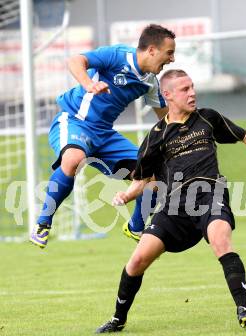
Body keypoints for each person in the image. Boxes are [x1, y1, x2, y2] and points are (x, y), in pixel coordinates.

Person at [95, 69, 246, 334]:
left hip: (210, 193)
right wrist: (127, 195)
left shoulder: (207, 118)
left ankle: (244, 310)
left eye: (193, 87)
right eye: (185, 89)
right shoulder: (155, 136)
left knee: (221, 239)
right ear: (168, 95)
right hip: (174, 207)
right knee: (138, 259)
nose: (192, 93)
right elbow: (143, 179)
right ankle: (118, 319)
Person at [29, 24, 176, 248]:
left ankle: (135, 227)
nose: (172, 59)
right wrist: (89, 84)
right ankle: (43, 223)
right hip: (75, 120)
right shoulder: (117, 55)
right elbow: (75, 61)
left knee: (154, 177)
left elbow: (166, 120)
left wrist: (187, 133)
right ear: (152, 50)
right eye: (169, 53)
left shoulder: (150, 83)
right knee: (72, 160)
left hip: (105, 135)